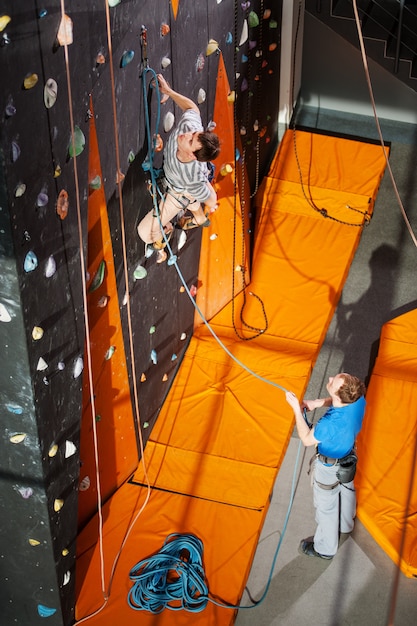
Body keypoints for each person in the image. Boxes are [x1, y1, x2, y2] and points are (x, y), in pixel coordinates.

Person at [137, 74, 221, 262]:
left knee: (144, 233)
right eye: (194, 134)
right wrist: (168, 91)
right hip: (182, 182)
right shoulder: (190, 127)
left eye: (191, 140)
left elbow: (212, 199)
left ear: (192, 156)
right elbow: (192, 108)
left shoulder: (193, 177)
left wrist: (210, 197)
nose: (186, 134)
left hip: (179, 192)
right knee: (193, 199)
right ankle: (199, 219)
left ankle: (164, 233)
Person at [285, 373, 366, 560]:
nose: (329, 377)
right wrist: (316, 403)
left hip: (328, 467)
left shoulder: (328, 424)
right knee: (347, 489)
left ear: (338, 395)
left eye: (332, 382)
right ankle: (346, 524)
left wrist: (297, 411)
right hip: (348, 456)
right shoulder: (358, 400)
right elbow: (337, 402)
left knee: (326, 507)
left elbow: (306, 439)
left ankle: (325, 549)